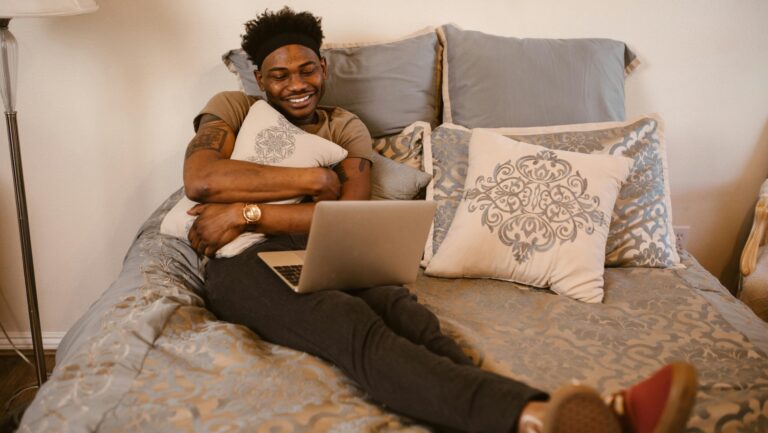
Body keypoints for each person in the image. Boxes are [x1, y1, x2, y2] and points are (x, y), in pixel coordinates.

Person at [182, 7, 698, 433]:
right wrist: (315, 182)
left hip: (316, 242)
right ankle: (545, 416)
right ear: (259, 78)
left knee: (408, 313)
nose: (297, 84)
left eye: (307, 69)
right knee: (349, 323)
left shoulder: (345, 127)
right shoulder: (232, 106)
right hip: (240, 259)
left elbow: (343, 216)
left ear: (324, 68)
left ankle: (526, 413)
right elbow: (202, 179)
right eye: (279, 74)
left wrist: (247, 209)